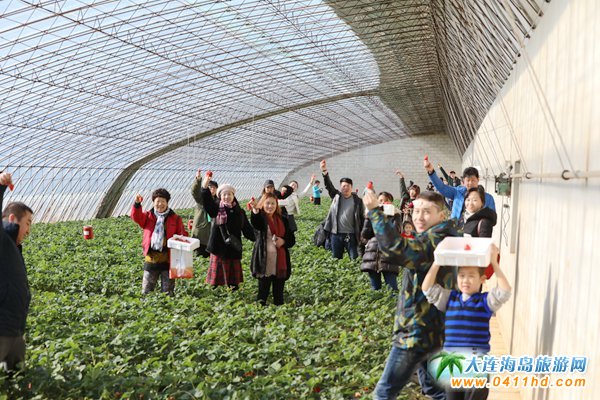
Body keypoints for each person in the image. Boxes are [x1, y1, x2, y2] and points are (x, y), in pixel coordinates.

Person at [363, 190, 461, 400]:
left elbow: (395, 249)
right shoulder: (444, 235)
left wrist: (374, 212)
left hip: (416, 332)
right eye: (416, 211)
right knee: (434, 390)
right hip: (433, 330)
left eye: (427, 212)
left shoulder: (435, 240)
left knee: (384, 392)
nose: (419, 217)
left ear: (441, 215)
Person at [422, 244, 511, 400]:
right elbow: (427, 289)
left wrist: (494, 263)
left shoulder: (485, 301)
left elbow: (504, 291)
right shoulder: (450, 299)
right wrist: (437, 261)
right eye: (461, 275)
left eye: (471, 276)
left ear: (482, 279)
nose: (465, 280)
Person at [0, 172, 32, 373]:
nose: (29, 230)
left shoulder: (12, 245)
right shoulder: (3, 239)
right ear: (12, 219)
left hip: (14, 328)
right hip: (2, 327)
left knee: (16, 375)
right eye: (27, 223)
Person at [201, 173, 254, 290]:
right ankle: (215, 294)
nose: (226, 197)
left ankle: (233, 292)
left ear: (233, 195)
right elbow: (207, 203)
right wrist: (204, 188)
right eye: (224, 194)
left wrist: (258, 237)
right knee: (216, 281)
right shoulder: (216, 209)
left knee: (233, 280)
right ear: (220, 196)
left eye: (229, 194)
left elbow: (247, 229)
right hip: (218, 247)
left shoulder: (239, 211)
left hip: (233, 247)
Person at [131, 188, 187, 295]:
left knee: (168, 292)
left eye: (163, 201)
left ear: (167, 202)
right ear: (153, 202)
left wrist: (184, 239)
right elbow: (136, 217)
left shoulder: (175, 218)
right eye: (157, 201)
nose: (160, 204)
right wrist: (137, 204)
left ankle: (167, 304)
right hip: (151, 258)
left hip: (168, 259)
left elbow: (182, 234)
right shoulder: (148, 216)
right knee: (146, 290)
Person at [247, 193, 295, 305]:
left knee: (279, 294)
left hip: (280, 261)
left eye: (273, 203)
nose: (270, 206)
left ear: (276, 205)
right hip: (264, 260)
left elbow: (291, 240)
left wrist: (283, 241)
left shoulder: (283, 219)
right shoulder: (261, 219)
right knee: (262, 293)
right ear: (262, 204)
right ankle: (260, 311)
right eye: (267, 203)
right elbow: (256, 223)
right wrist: (255, 210)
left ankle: (279, 311)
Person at [320, 159, 365, 260]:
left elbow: (361, 217)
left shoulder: (358, 201)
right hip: (336, 234)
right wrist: (324, 172)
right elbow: (329, 186)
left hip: (351, 235)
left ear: (351, 187)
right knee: (336, 258)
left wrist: (363, 233)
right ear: (340, 187)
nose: (345, 188)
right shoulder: (336, 196)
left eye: (348, 186)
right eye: (343, 186)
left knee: (354, 258)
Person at [424, 158, 496, 220]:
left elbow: (492, 219)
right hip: (456, 229)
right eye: (468, 180)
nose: (470, 183)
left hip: (476, 231)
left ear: (478, 180)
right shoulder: (457, 192)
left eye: (473, 180)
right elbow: (442, 187)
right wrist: (431, 172)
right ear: (463, 181)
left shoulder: (488, 198)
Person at [360, 192, 401, 291]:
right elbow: (365, 235)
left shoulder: (395, 215)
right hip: (372, 257)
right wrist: (368, 218)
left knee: (392, 288)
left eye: (386, 201)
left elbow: (395, 234)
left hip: (389, 258)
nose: (383, 203)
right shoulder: (372, 215)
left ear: (391, 203)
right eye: (381, 201)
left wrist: (391, 216)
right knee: (375, 289)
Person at [462, 186, 497, 279]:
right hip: (461, 268)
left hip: (474, 272)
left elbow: (483, 250)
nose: (470, 203)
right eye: (468, 199)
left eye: (475, 200)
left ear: (482, 203)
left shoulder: (484, 222)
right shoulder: (463, 219)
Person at [191, 168, 218, 257]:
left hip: (212, 237)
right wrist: (198, 180)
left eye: (214, 188)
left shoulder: (218, 202)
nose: (212, 189)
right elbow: (195, 192)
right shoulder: (201, 199)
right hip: (200, 235)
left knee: (210, 260)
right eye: (210, 187)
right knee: (199, 257)